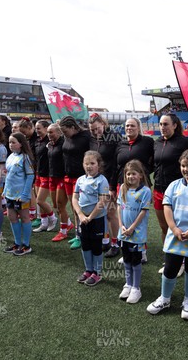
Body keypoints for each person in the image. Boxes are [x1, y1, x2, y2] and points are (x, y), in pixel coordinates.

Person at [147, 149, 188, 320]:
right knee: (170, 268)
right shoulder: (174, 185)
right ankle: (165, 298)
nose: (185, 169)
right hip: (175, 236)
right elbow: (167, 207)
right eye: (183, 166)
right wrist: (174, 229)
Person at [153, 114, 188, 274]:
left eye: (166, 124)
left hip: (178, 193)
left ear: (175, 125)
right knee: (165, 228)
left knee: (179, 228)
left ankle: (182, 262)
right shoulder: (157, 143)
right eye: (161, 124)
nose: (162, 127)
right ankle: (169, 260)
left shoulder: (184, 142)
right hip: (158, 190)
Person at [115, 117, 154, 263]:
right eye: (127, 126)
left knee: (140, 217)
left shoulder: (147, 142)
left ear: (138, 127)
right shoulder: (121, 144)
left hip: (141, 186)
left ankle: (142, 250)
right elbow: (116, 165)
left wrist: (145, 172)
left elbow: (156, 160)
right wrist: (113, 186)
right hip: (123, 185)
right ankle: (126, 246)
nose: (129, 128)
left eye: (132, 125)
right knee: (125, 216)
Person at [73, 151, 110, 286]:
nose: (89, 166)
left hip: (97, 219)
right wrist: (81, 215)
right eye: (86, 163)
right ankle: (88, 270)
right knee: (85, 244)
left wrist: (90, 217)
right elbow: (74, 198)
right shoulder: (80, 180)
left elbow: (102, 202)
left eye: (92, 163)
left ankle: (97, 273)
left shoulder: (102, 180)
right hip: (83, 220)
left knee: (96, 246)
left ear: (99, 165)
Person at [117, 160, 151, 303]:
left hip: (136, 234)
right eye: (128, 174)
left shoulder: (145, 191)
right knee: (126, 259)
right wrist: (121, 226)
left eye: (134, 174)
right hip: (124, 233)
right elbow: (119, 207)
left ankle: (136, 288)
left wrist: (132, 228)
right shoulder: (123, 188)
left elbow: (143, 212)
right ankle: (128, 284)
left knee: (136, 261)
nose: (131, 176)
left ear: (141, 175)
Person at [88, 113, 122, 258]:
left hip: (109, 181)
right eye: (93, 130)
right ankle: (106, 240)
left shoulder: (114, 138)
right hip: (96, 182)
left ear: (103, 123)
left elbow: (116, 164)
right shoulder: (92, 139)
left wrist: (113, 186)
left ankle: (116, 244)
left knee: (110, 213)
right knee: (101, 213)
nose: (96, 132)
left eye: (97, 128)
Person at [59, 116, 92, 250]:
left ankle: (86, 235)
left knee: (83, 207)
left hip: (81, 178)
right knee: (74, 208)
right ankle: (78, 234)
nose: (64, 134)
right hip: (68, 177)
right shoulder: (67, 137)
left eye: (65, 131)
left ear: (73, 127)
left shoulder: (86, 137)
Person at [2, 133, 35, 256]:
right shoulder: (11, 156)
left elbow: (30, 176)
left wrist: (25, 195)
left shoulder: (25, 158)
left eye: (13, 142)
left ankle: (26, 245)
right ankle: (17, 243)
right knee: (12, 217)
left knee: (25, 217)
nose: (10, 145)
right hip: (10, 194)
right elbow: (8, 175)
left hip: (21, 195)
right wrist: (5, 191)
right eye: (10, 142)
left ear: (21, 144)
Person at [31, 120, 58, 233]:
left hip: (47, 174)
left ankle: (53, 218)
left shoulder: (50, 141)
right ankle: (44, 223)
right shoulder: (38, 141)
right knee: (39, 200)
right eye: (36, 128)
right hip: (39, 173)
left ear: (46, 128)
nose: (37, 131)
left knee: (40, 200)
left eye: (39, 128)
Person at [47, 123, 72, 242]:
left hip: (62, 177)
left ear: (58, 132)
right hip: (52, 177)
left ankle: (63, 231)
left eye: (51, 132)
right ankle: (69, 223)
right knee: (56, 206)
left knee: (61, 205)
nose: (49, 134)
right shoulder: (50, 145)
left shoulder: (64, 144)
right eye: (48, 132)